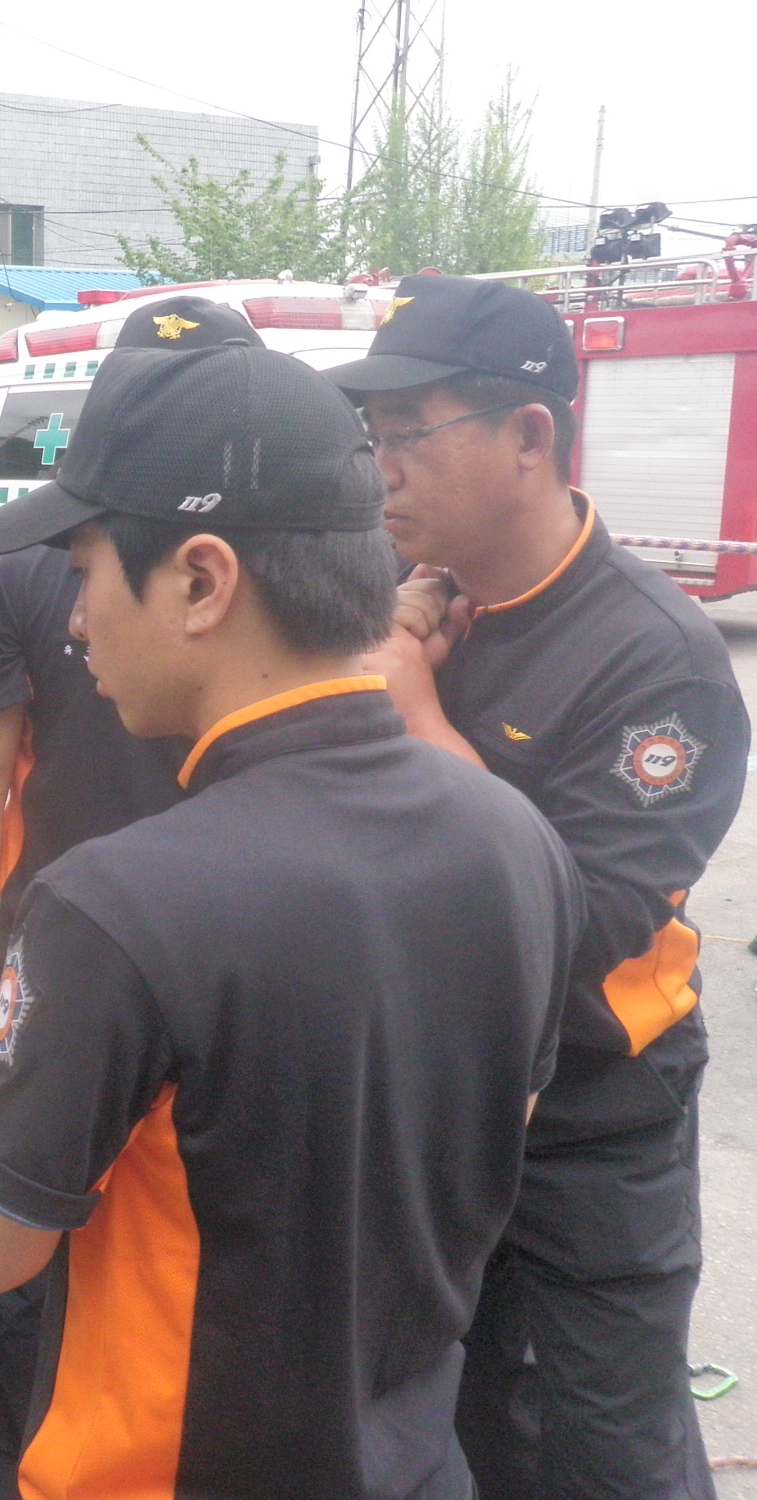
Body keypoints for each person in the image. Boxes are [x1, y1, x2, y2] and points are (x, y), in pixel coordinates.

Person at [0, 342, 583, 1499]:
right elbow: (491, 1134)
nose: (74, 622)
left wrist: (9, 1050)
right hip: (410, 1462)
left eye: (85, 572)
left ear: (200, 580)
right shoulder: (514, 838)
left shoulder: (111, 906)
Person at [325, 274, 751, 1499]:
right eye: (372, 438)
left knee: (601, 1448)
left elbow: (579, 920)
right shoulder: (416, 597)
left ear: (526, 435)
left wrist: (412, 713)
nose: (381, 469)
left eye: (409, 434)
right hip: (436, 1094)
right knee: (454, 1428)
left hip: (588, 1119)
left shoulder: (653, 659)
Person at [0, 296, 259, 1500]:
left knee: (200, 1258)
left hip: (234, 970)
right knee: (19, 1255)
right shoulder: (34, 571)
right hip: (55, 962)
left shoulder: (290, 583)